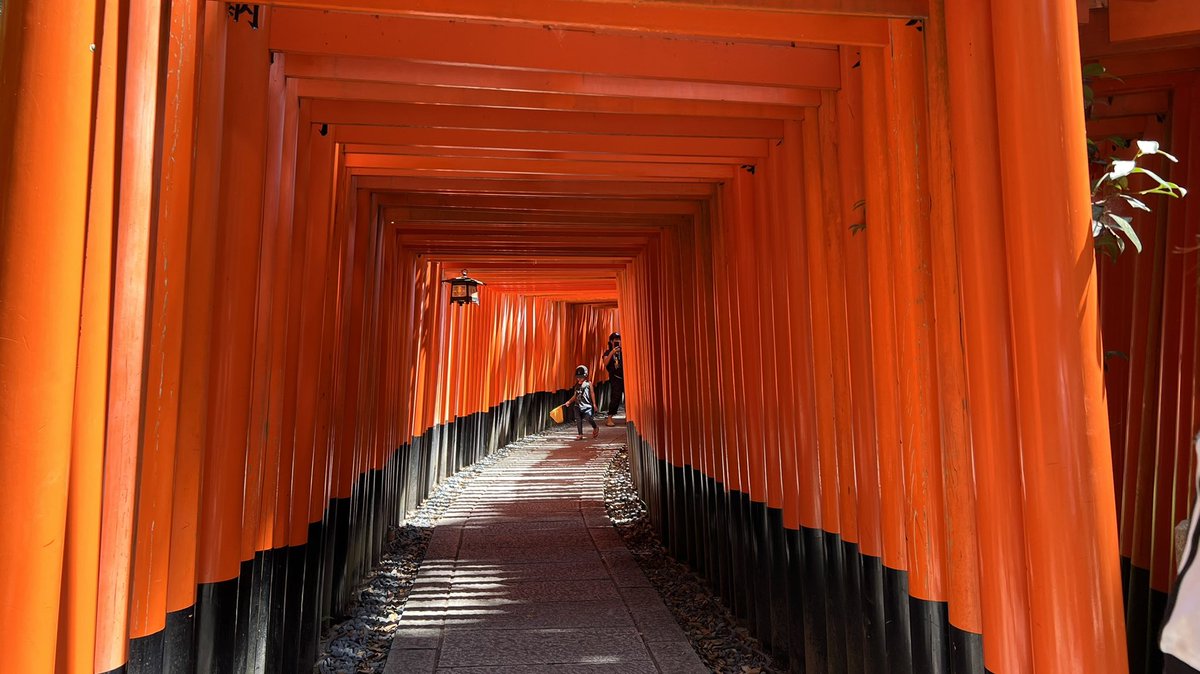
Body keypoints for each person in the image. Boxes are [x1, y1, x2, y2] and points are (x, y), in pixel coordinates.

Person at [565, 365, 599, 440]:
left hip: (586, 405)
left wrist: (594, 404)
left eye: (581, 377)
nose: (579, 379)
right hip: (577, 405)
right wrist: (569, 402)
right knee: (578, 419)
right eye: (578, 377)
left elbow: (592, 393)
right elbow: (575, 396)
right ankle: (580, 434)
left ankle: (595, 427)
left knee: (588, 418)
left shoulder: (588, 384)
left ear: (585, 376)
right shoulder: (576, 385)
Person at [600, 332, 624, 426]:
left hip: (624, 377)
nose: (617, 341)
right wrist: (612, 353)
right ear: (611, 341)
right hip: (615, 378)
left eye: (619, 340)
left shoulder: (622, 352)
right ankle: (609, 418)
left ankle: (629, 417)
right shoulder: (607, 352)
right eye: (615, 340)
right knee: (615, 398)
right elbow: (605, 363)